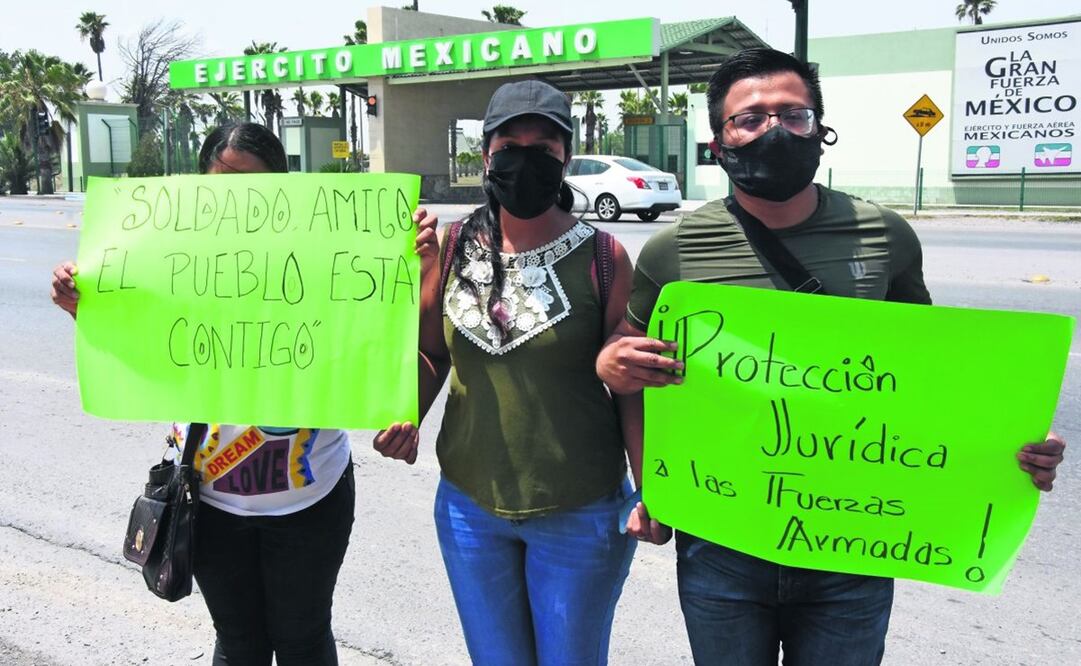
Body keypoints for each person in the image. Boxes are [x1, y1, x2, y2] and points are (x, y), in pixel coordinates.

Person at [596, 48, 1067, 665]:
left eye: (794, 115)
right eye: (750, 118)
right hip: (721, 541)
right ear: (720, 142)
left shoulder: (884, 235)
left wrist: (1010, 441)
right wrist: (621, 393)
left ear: (821, 128)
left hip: (853, 543)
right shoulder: (673, 249)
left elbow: (931, 374)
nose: (774, 130)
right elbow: (630, 367)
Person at [50, 122, 438, 666]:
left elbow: (386, 342)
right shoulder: (171, 259)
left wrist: (422, 264)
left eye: (255, 189)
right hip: (209, 500)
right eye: (222, 190)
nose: (240, 206)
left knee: (304, 640)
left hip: (310, 500)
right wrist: (84, 307)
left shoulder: (327, 255)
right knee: (238, 644)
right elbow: (137, 340)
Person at [373, 80, 640, 665]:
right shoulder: (448, 246)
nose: (525, 160)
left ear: (566, 156)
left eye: (542, 148)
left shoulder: (604, 257)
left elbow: (629, 389)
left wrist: (651, 487)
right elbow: (432, 352)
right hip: (469, 507)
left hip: (580, 510)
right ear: (487, 155)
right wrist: (404, 415)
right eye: (509, 147)